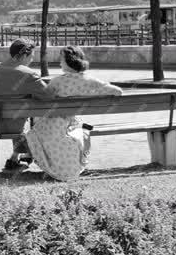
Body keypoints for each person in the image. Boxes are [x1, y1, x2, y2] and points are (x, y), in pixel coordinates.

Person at [26, 46, 122, 181]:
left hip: (53, 125)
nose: (59, 62)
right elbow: (117, 91)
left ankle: (46, 167)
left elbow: (44, 99)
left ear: (68, 61)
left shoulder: (57, 81)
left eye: (61, 59)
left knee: (33, 132)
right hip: (72, 123)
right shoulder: (90, 81)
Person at [0, 39, 50, 170]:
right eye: (32, 56)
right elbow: (48, 96)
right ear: (25, 55)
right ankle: (26, 154)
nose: (32, 60)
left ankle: (16, 157)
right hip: (12, 128)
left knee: (15, 110)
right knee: (23, 115)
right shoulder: (29, 74)